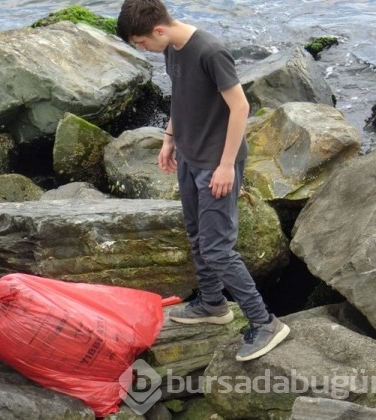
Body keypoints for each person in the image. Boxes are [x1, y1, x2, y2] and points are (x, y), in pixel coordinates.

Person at [116, 0, 290, 362]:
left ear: (158, 30)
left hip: (217, 163)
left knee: (217, 248)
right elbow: (180, 98)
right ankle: (213, 304)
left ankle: (265, 322)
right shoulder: (173, 50)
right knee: (196, 237)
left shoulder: (210, 51)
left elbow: (240, 107)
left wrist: (227, 166)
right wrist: (168, 139)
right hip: (189, 156)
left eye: (141, 43)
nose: (142, 50)